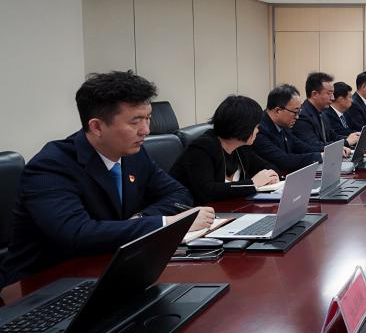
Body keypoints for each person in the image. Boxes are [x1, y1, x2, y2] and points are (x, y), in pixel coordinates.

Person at [1, 71, 211, 287]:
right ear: (97, 127)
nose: (146, 130)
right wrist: (165, 223)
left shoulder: (134, 155)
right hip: (43, 285)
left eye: (148, 118)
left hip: (108, 269)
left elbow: (178, 194)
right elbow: (77, 234)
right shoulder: (50, 166)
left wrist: (141, 218)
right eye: (135, 122)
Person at [170, 95, 280, 204]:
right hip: (191, 210)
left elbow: (268, 167)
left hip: (229, 208)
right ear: (242, 127)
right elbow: (206, 192)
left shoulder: (241, 147)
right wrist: (252, 183)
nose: (258, 131)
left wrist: (271, 176)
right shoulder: (201, 149)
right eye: (255, 127)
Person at [252, 84, 323, 174]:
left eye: (299, 112)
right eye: (295, 112)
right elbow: (284, 160)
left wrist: (327, 151)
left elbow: (303, 147)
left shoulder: (283, 125)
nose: (297, 117)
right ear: (278, 111)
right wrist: (319, 156)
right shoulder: (259, 130)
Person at [294, 71, 338, 147]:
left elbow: (333, 136)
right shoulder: (302, 115)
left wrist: (349, 139)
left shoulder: (323, 113)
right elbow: (313, 145)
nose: (333, 98)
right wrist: (345, 143)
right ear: (314, 94)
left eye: (333, 93)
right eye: (329, 93)